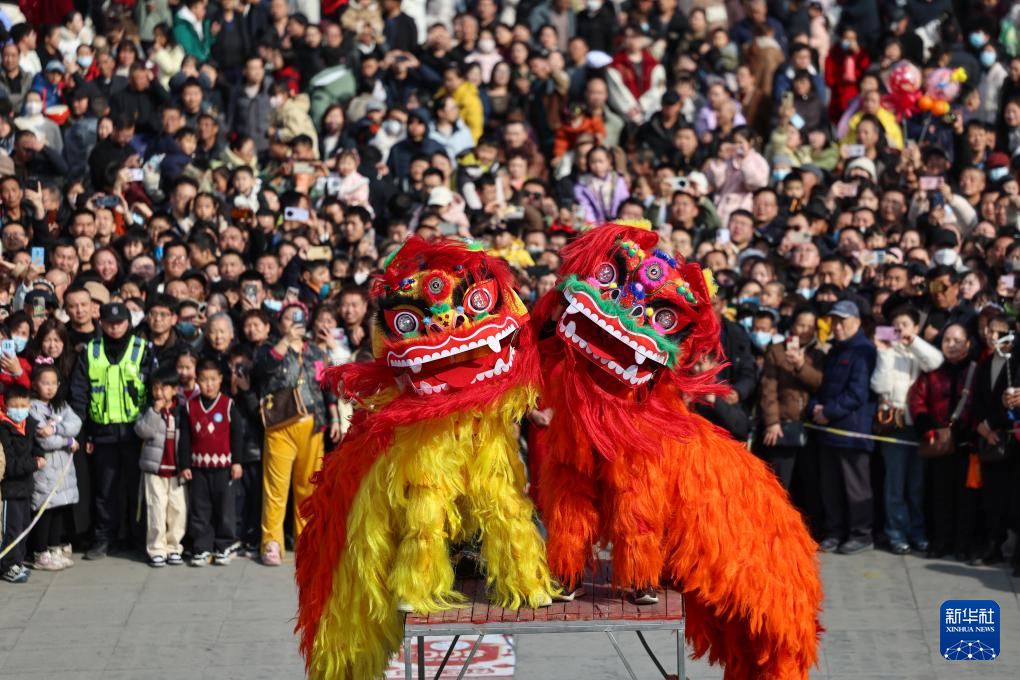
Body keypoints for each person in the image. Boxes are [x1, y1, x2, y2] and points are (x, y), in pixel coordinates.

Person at [68, 302, 156, 560]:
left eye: (119, 322)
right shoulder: (91, 351)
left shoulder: (142, 349)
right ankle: (104, 538)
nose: (115, 327)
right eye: (109, 323)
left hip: (135, 432)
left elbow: (154, 389)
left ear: (128, 323)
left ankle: (139, 539)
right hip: (103, 432)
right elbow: (80, 392)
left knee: (135, 488)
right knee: (105, 490)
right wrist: (83, 433)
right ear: (101, 324)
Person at [253, 302, 334, 565]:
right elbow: (263, 369)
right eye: (288, 318)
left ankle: (305, 540)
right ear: (280, 323)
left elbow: (327, 384)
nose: (293, 322)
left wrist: (333, 415)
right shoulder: (270, 348)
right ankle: (271, 543)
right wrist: (284, 342)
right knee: (275, 489)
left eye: (298, 318)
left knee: (308, 487)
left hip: (312, 426)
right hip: (280, 427)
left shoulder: (315, 351)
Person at [870, 306, 942, 554]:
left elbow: (936, 362)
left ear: (915, 327)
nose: (899, 328)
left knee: (916, 485)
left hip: (919, 425)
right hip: (894, 425)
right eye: (895, 324)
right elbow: (879, 385)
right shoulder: (885, 351)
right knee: (895, 485)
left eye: (905, 324)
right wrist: (885, 353)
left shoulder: (917, 352)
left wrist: (914, 342)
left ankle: (917, 531)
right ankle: (896, 533)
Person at [811, 300, 877, 555]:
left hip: (852, 431)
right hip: (828, 431)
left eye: (843, 321)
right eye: (834, 321)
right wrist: (816, 408)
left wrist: (827, 412)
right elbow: (825, 386)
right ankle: (835, 531)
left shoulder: (864, 350)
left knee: (855, 486)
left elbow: (857, 393)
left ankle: (861, 534)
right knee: (831, 486)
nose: (837, 327)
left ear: (857, 322)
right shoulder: (836, 350)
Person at [908, 324, 978, 561]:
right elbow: (916, 399)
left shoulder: (975, 371)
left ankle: (962, 544)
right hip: (939, 444)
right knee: (939, 496)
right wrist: (926, 425)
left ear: (968, 343)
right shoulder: (934, 372)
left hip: (967, 446)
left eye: (957, 340)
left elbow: (981, 404)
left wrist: (969, 430)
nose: (951, 344)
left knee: (965, 499)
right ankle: (940, 541)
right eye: (947, 339)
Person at [180, 360, 243, 566]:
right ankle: (201, 547)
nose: (209, 385)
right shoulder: (190, 406)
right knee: (200, 509)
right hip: (199, 468)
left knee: (225, 508)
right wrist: (185, 465)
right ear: (197, 381)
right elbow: (185, 439)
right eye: (204, 380)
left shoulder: (228, 404)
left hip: (223, 468)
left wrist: (237, 462)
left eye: (213, 380)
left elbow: (237, 436)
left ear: (220, 380)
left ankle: (224, 545)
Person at [759, 308, 824, 490]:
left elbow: (819, 382)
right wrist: (772, 421)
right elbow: (768, 389)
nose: (805, 330)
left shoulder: (818, 354)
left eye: (810, 326)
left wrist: (800, 365)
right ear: (793, 325)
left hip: (810, 426)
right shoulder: (776, 351)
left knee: (809, 485)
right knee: (780, 483)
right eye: (801, 325)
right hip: (783, 426)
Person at [133, 366, 191, 567]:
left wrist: (186, 465)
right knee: (156, 508)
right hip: (154, 469)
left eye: (164, 388)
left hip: (176, 469)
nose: (159, 393)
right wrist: (155, 411)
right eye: (156, 388)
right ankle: (156, 548)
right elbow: (142, 431)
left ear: (174, 390)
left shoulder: (181, 411)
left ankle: (174, 547)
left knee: (177, 509)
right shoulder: (148, 410)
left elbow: (186, 440)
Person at [27, 364, 81, 571]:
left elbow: (76, 423)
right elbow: (44, 440)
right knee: (44, 511)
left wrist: (57, 428)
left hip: (63, 470)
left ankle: (53, 547)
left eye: (53, 383)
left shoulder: (61, 406)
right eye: (44, 383)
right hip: (46, 471)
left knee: (59, 508)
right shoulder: (32, 408)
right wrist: (68, 442)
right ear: (35, 384)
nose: (49, 388)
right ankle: (40, 553)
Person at [0, 384, 43, 583]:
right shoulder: (4, 428)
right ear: (6, 406)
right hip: (10, 489)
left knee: (24, 527)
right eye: (14, 405)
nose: (19, 409)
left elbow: (37, 447)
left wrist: (39, 456)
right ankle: (7, 565)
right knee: (12, 529)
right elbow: (10, 465)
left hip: (26, 487)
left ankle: (18, 561)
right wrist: (33, 464)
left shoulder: (30, 425)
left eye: (23, 405)